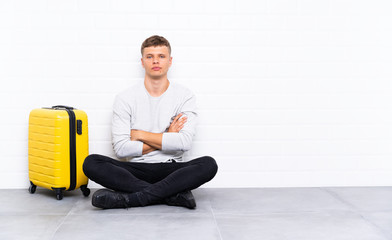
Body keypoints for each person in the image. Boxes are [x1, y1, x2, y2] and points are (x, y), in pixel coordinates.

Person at [83, 35, 218, 209]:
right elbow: (121, 149)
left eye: (161, 56)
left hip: (172, 169)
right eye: (150, 57)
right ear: (142, 62)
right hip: (136, 169)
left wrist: (140, 135)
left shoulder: (185, 96)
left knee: (208, 164)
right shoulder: (125, 98)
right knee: (91, 163)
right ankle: (171, 195)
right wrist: (167, 136)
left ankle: (131, 199)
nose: (156, 61)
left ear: (170, 61)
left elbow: (184, 143)